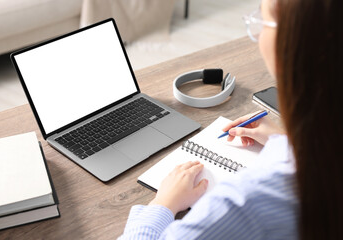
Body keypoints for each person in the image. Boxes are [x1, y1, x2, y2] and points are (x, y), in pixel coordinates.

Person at [118, 0, 343, 239]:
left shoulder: (244, 204)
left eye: (261, 19)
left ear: (289, 45)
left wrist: (163, 204)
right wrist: (283, 141)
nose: (256, 34)